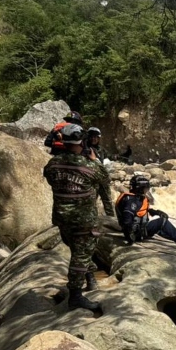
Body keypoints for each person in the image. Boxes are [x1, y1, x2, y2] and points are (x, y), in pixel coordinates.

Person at [43, 123, 115, 310]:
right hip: (83, 220)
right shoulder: (90, 165)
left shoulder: (52, 164)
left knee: (78, 252)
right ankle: (75, 295)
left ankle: (90, 277)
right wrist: (95, 160)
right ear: (81, 142)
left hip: (61, 218)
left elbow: (51, 179)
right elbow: (104, 180)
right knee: (81, 255)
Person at [115, 175, 176, 250]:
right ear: (140, 188)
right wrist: (130, 236)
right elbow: (127, 220)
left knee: (161, 228)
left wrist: (156, 212)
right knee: (162, 222)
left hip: (140, 230)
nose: (147, 190)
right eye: (145, 188)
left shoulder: (136, 198)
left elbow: (140, 211)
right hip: (136, 233)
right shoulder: (131, 201)